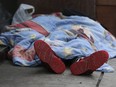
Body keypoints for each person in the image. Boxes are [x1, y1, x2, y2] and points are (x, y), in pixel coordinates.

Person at [0, 12, 115, 75]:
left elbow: (99, 30)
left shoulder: (87, 21)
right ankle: (82, 61)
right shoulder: (85, 19)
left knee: (59, 39)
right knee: (81, 40)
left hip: (77, 26)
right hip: (73, 27)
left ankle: (53, 60)